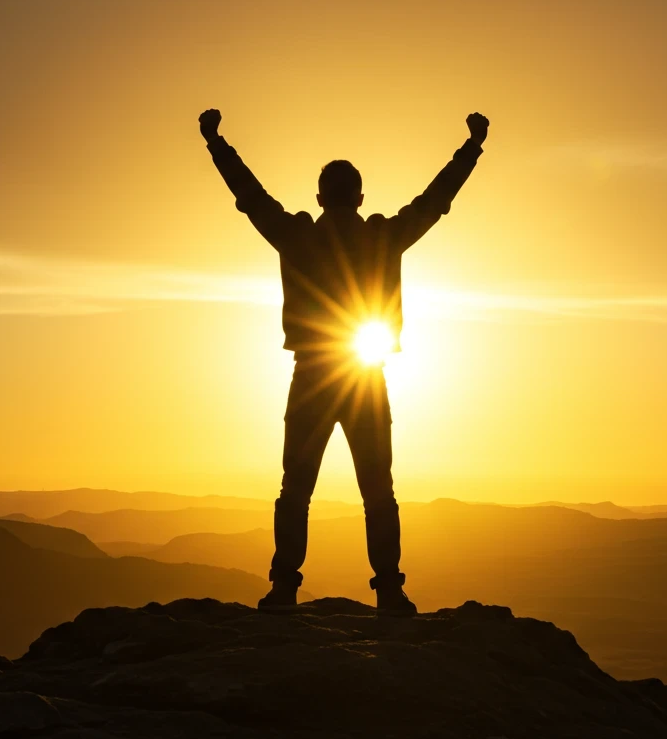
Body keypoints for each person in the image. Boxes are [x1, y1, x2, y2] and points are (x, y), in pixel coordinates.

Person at [200, 109, 489, 615]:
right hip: (363, 374)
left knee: (296, 488)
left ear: (319, 199)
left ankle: (285, 588)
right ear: (359, 198)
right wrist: (471, 147)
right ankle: (391, 592)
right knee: (378, 488)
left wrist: (216, 142)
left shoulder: (297, 236)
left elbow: (250, 197)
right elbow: (434, 202)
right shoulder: (381, 238)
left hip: (313, 375)